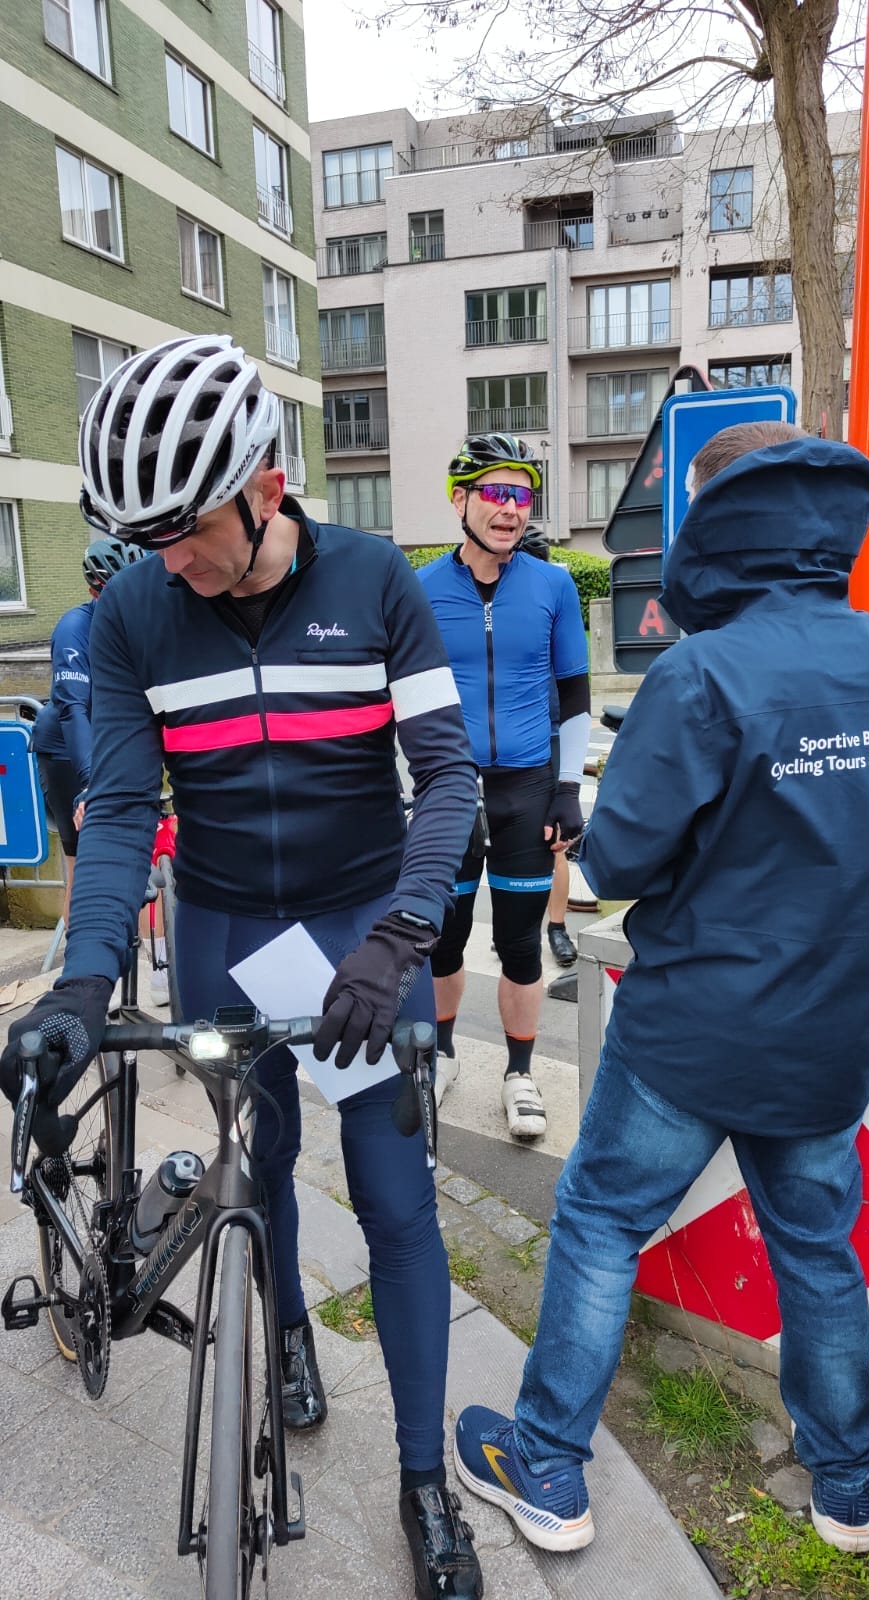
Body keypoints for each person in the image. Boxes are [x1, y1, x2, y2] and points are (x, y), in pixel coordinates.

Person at [0, 335, 483, 1598]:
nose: (166, 559)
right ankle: (284, 1341)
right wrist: (81, 986)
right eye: (143, 536)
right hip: (221, 922)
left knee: (391, 1196)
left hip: (357, 922)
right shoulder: (134, 614)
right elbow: (116, 811)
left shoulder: (380, 579)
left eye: (183, 530)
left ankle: (425, 1485)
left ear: (264, 486)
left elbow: (448, 781)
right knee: (251, 1164)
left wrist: (401, 934)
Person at [453, 422, 869, 1559]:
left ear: (719, 523)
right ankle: (848, 1492)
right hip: (830, 1029)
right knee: (818, 1249)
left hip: (695, 1027)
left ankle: (548, 1464)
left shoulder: (701, 671)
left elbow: (618, 864)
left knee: (602, 1221)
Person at [418, 435, 591, 1138]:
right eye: (496, 492)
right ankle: (442, 1055)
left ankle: (520, 1074)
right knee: (443, 941)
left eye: (522, 496)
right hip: (448, 790)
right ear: (459, 499)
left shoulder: (552, 586)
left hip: (527, 789)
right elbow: (394, 698)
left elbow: (575, 696)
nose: (511, 509)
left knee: (521, 946)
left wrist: (569, 789)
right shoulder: (421, 589)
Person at [30, 538, 146, 929]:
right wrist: (89, 784)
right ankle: (82, 974)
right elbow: (73, 709)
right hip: (65, 748)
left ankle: (161, 967)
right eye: (112, 592)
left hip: (111, 740)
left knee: (147, 858)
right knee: (83, 864)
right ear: (94, 589)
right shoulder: (75, 627)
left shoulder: (140, 624)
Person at [519, 524, 577, 969]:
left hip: (554, 733)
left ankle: (556, 927)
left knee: (555, 843)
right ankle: (518, 926)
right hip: (505, 750)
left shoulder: (558, 600)